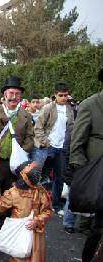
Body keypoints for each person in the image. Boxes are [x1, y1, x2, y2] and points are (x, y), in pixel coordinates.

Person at [0, 161, 52, 262]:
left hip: (36, 231)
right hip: (19, 230)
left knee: (35, 256)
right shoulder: (14, 192)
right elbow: (1, 204)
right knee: (19, 255)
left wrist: (37, 221)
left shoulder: (40, 192)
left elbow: (46, 211)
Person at [69, 65, 103, 262]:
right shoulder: (91, 104)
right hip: (97, 174)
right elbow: (77, 144)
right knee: (98, 228)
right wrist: (85, 174)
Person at [0, 76, 34, 227]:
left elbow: (30, 137)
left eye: (17, 94)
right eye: (11, 93)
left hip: (14, 164)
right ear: (4, 94)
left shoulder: (26, 115)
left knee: (10, 196)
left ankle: (3, 226)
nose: (14, 97)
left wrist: (23, 151)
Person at [33, 82, 74, 214]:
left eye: (66, 95)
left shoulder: (69, 109)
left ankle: (56, 206)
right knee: (38, 176)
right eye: (61, 95)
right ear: (55, 94)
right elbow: (38, 127)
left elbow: (71, 127)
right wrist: (45, 142)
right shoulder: (48, 108)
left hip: (62, 148)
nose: (63, 98)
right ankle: (35, 204)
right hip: (47, 146)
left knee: (59, 178)